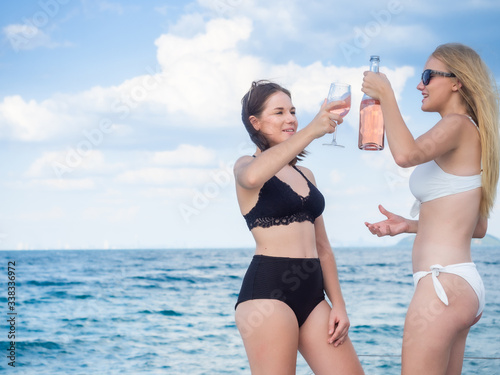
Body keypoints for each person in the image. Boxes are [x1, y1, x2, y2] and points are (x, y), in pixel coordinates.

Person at [363, 43, 499, 374]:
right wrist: (409, 225)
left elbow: (406, 155)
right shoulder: (471, 132)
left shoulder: (457, 125)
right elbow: (477, 228)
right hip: (459, 283)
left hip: (442, 284)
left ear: (457, 81)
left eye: (427, 76)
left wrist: (385, 95)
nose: (419, 85)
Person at [234, 80, 365, 375]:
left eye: (292, 111)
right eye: (278, 112)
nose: (290, 118)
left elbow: (323, 247)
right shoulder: (245, 165)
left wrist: (339, 305)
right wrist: (312, 131)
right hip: (267, 295)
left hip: (313, 294)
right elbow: (252, 178)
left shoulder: (305, 174)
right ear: (255, 122)